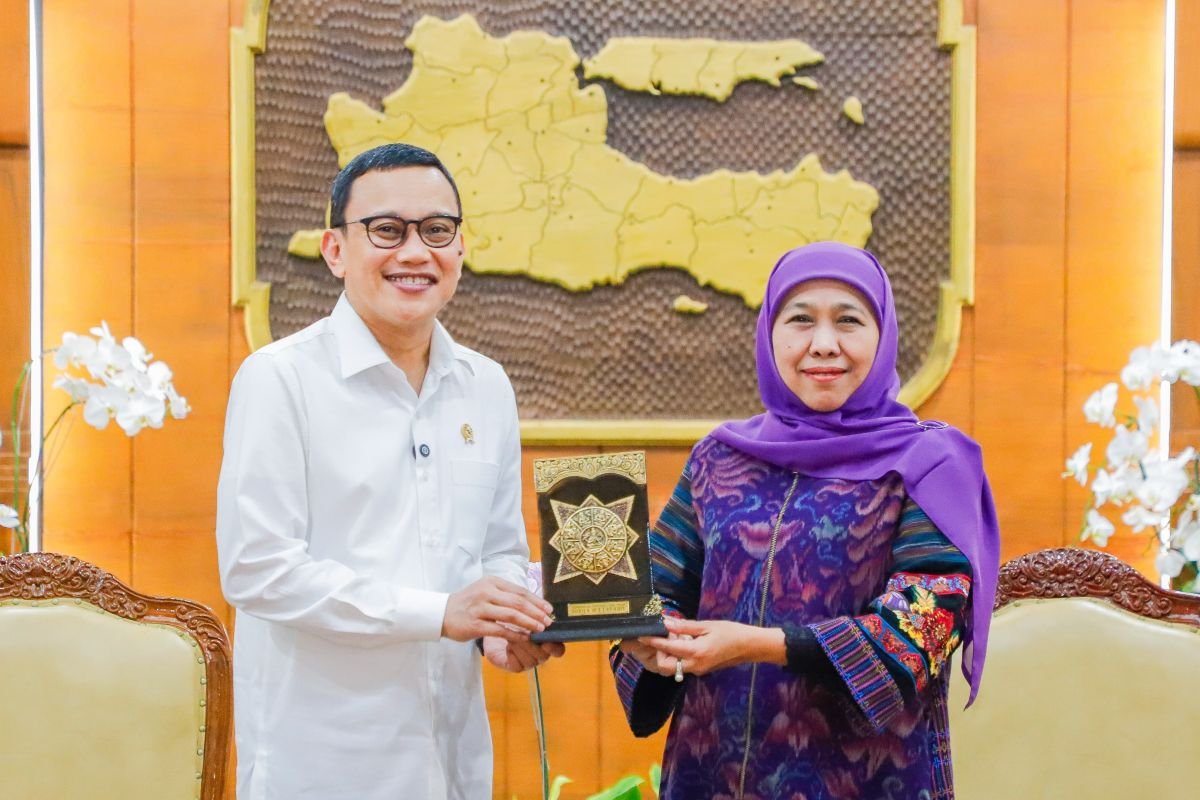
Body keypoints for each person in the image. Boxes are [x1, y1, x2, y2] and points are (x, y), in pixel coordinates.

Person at [216, 142, 563, 800]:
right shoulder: (280, 379)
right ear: (335, 250)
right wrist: (440, 613)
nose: (415, 252)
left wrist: (499, 630)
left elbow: (497, 550)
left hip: (454, 759)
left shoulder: (486, 385)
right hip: (324, 763)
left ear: (460, 248)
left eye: (436, 230)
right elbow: (257, 568)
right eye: (386, 230)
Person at [611, 242, 1000, 799]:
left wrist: (759, 644)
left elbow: (920, 628)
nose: (823, 343)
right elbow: (655, 587)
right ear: (770, 334)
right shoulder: (720, 458)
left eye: (848, 320)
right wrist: (652, 637)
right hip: (711, 770)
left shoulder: (927, 465)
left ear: (883, 334)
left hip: (866, 778)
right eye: (799, 320)